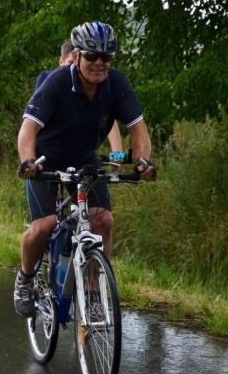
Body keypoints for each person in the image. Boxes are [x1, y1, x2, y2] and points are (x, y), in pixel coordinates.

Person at [14, 21, 156, 317]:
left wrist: (142, 162)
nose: (100, 63)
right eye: (92, 56)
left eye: (107, 57)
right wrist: (28, 162)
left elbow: (138, 131)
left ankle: (92, 292)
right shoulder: (56, 82)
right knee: (44, 225)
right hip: (45, 160)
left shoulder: (116, 84)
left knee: (102, 221)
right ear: (76, 56)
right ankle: (25, 280)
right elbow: (28, 129)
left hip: (85, 160)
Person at [38, 40, 125, 161]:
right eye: (69, 64)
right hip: (48, 156)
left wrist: (117, 152)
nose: (73, 68)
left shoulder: (92, 83)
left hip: (81, 155)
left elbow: (105, 115)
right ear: (60, 62)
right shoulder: (48, 81)